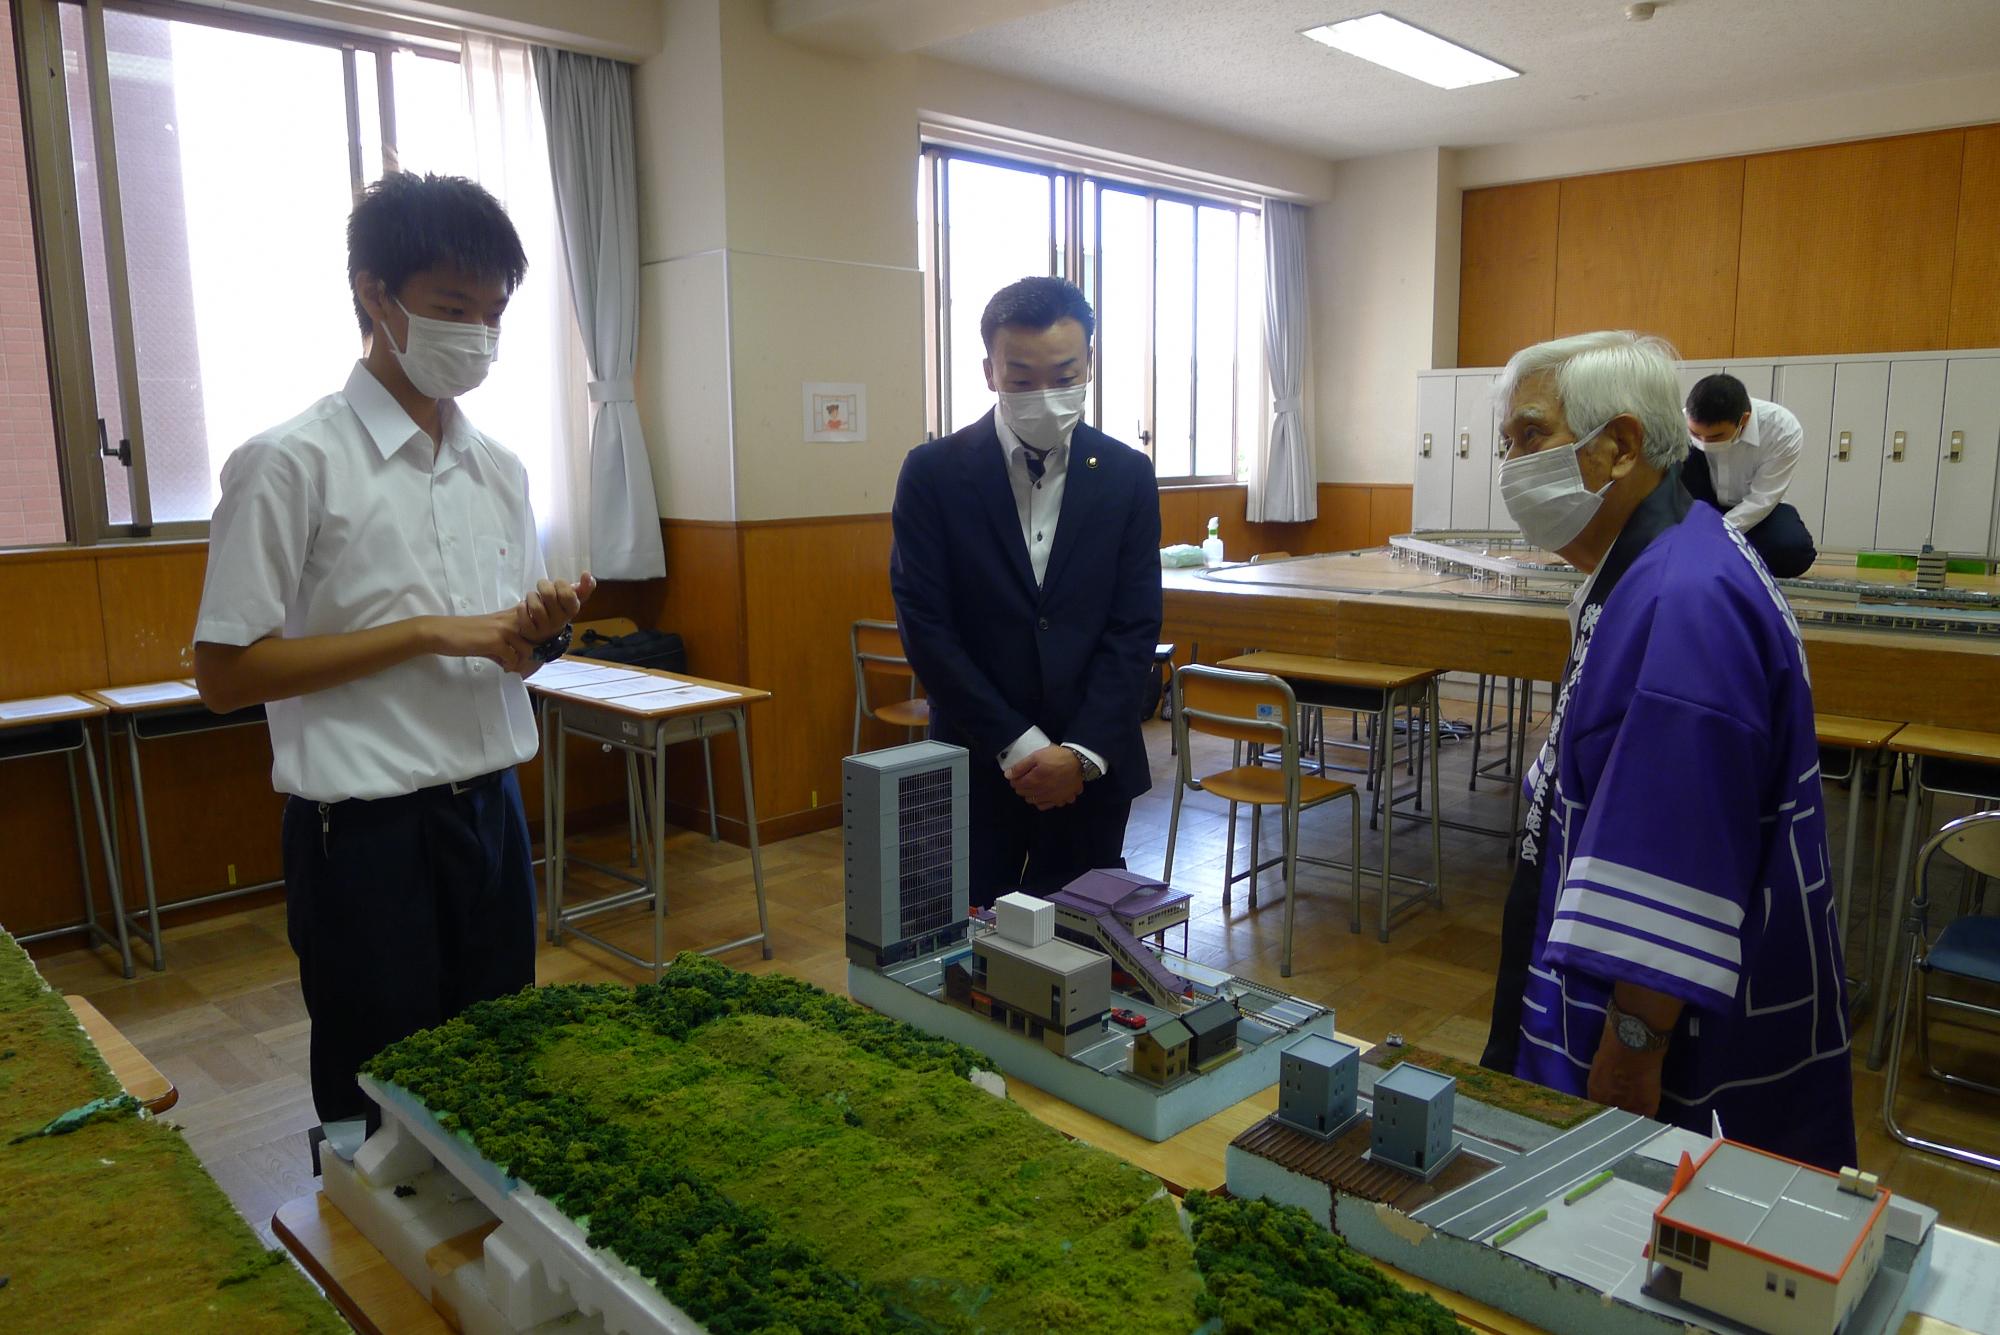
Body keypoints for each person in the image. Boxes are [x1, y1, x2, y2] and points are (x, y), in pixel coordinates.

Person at [192, 172, 593, 1161]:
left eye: (494, 314)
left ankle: (483, 1269)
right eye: (453, 308)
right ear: (377, 294)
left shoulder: (498, 466)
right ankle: (364, 1279)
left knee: (498, 1058)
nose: (478, 335)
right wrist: (424, 631)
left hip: (490, 810)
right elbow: (224, 674)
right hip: (360, 835)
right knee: (376, 1083)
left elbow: (505, 649)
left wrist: (541, 634)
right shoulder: (289, 462)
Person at [1478, 331, 1855, 1172]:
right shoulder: (1655, 563)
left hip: (1670, 1043)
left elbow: (1675, 844)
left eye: (1529, 436)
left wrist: (1634, 1041)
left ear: (1618, 446)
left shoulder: (1683, 599)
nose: (1510, 463)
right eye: (1507, 441)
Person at [890, 276, 1162, 908]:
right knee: (967, 940)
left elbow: (1135, 624)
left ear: (1090, 362)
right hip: (978, 759)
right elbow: (926, 626)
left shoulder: (1126, 473)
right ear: (990, 371)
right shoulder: (933, 473)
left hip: (1091, 769)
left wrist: (1082, 752)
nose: (1046, 394)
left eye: (1065, 374)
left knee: (1083, 945)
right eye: (1022, 379)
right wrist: (1021, 746)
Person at [1682, 373, 1817, 577]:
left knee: (1793, 550)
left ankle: (1714, 556)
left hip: (1756, 510)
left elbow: (1762, 498)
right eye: (1696, 434)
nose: (1704, 442)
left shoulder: (1781, 429)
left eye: (1716, 436)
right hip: (1700, 503)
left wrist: (1714, 533)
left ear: (1743, 419)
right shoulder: (1679, 422)